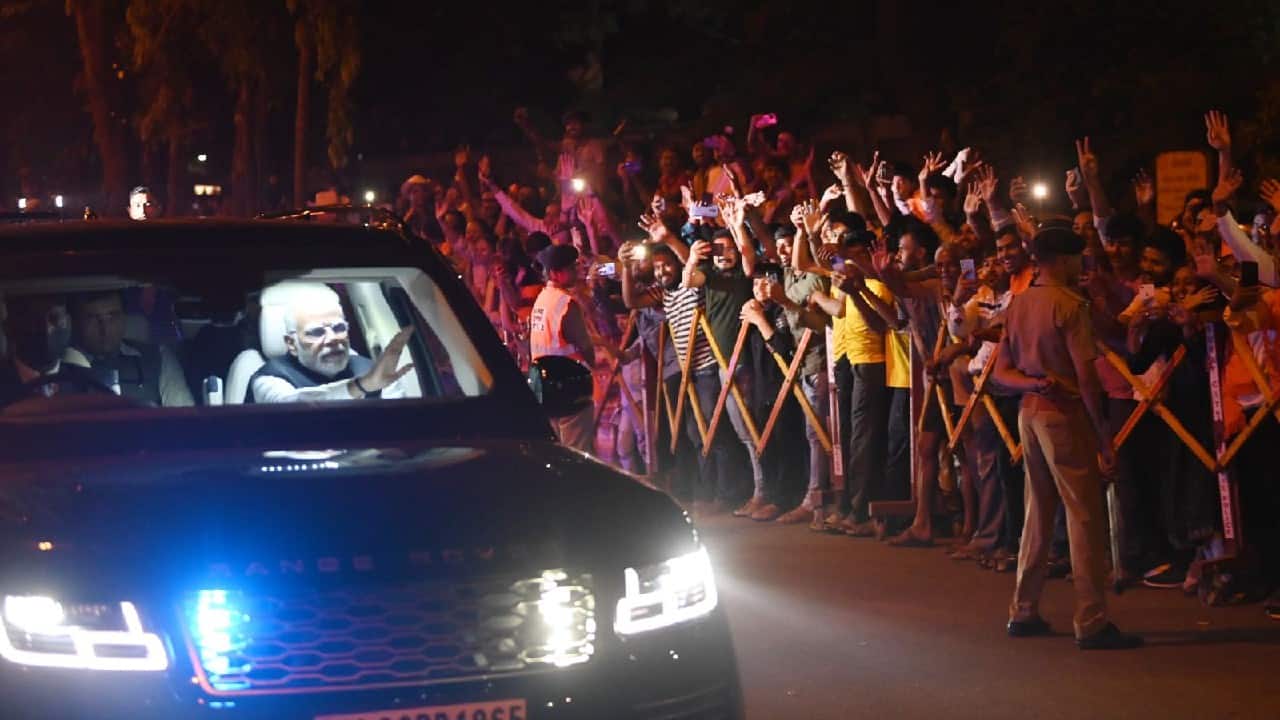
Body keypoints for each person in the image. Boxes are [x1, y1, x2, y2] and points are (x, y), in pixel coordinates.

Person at [994, 225, 1142, 650]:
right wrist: (1105, 437)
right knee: (1083, 516)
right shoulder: (1070, 305)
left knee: (1037, 513)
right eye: (1077, 256)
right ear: (1059, 259)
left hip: (1029, 414)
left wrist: (1032, 384)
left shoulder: (1019, 304)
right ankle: (1091, 619)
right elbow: (1086, 378)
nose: (1081, 264)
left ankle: (1023, 609)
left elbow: (1002, 372)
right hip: (1064, 414)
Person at [249, 284, 414, 404]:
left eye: (339, 328)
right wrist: (362, 386)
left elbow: (399, 425)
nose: (333, 338)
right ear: (291, 344)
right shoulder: (269, 378)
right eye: (316, 332)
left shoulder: (372, 370)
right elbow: (292, 406)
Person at [68, 291, 193, 407]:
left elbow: (183, 415)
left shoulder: (158, 357)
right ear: (77, 322)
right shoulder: (63, 366)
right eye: (93, 318)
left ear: (123, 318)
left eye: (112, 316)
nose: (104, 328)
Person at [529, 244, 596, 451]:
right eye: (572, 268)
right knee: (575, 452)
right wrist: (592, 364)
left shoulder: (542, 299)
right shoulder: (566, 303)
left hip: (545, 387)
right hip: (570, 387)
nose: (576, 272)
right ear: (556, 273)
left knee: (557, 450)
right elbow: (584, 344)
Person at [0, 295, 101, 406]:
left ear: (69, 324)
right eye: (33, 320)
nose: (47, 329)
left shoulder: (88, 383)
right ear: (9, 327)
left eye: (55, 319)